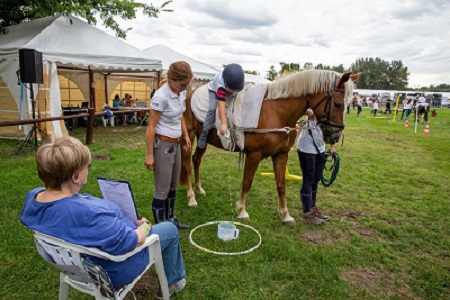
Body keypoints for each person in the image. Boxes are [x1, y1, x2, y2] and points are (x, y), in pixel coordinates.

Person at [19, 136, 186, 299]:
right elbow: (131, 242)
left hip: (71, 265)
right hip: (110, 270)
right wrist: (146, 226)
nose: (88, 170)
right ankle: (173, 282)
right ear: (75, 177)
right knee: (169, 229)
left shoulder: (34, 198)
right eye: (87, 166)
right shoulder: (90, 214)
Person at [145, 61, 193, 230]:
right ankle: (161, 229)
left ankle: (171, 220)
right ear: (171, 79)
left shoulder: (180, 92)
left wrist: (186, 135)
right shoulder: (160, 96)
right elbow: (151, 127)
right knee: (162, 189)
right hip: (163, 145)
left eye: (186, 85)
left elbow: (180, 116)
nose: (184, 88)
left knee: (173, 186)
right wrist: (150, 155)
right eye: (182, 84)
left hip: (176, 143)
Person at [297, 108, 334, 225]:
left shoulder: (328, 106)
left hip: (320, 148)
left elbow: (333, 126)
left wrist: (332, 145)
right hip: (307, 148)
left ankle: (312, 208)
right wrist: (309, 112)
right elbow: (299, 110)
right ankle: (307, 212)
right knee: (309, 179)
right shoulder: (312, 104)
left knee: (316, 179)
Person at [197, 63, 245, 149]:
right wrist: (223, 123)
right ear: (226, 84)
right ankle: (204, 133)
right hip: (213, 90)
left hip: (227, 90)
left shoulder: (237, 80)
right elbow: (221, 105)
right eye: (232, 89)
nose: (234, 91)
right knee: (212, 108)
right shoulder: (221, 86)